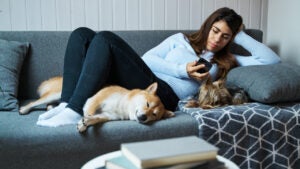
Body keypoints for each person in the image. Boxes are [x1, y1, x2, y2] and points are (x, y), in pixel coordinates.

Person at [37, 7, 280, 127]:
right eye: (216, 31)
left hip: (166, 96)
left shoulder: (224, 62)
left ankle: (76, 111)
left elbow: (272, 60)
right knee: (82, 34)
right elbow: (147, 59)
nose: (217, 39)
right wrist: (182, 69)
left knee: (106, 39)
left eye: (225, 37)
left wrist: (240, 35)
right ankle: (67, 104)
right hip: (148, 81)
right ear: (208, 26)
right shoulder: (180, 40)